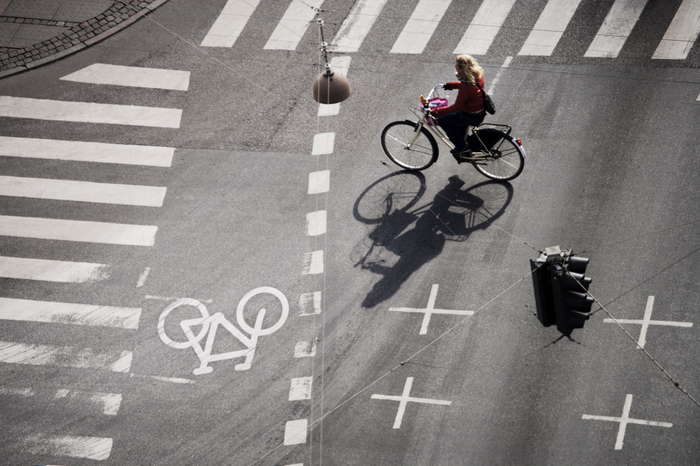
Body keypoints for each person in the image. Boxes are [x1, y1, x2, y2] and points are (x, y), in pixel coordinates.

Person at [431, 55, 486, 161]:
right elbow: (464, 84)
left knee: (443, 121)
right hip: (479, 111)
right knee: (457, 121)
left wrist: (436, 111)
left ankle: (461, 148)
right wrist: (450, 85)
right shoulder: (477, 76)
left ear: (460, 69)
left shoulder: (466, 87)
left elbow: (456, 107)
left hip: (470, 115)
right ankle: (463, 141)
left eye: (456, 65)